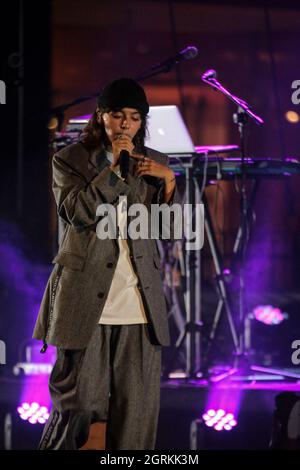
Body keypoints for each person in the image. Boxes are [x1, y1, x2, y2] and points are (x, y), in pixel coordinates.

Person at [32, 77, 181, 450]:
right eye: (118, 116)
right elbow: (78, 212)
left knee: (136, 424)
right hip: (84, 303)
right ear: (101, 117)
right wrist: (114, 171)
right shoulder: (70, 160)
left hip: (139, 306)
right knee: (76, 409)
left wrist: (169, 184)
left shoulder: (155, 164)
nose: (126, 124)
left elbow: (170, 231)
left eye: (134, 117)